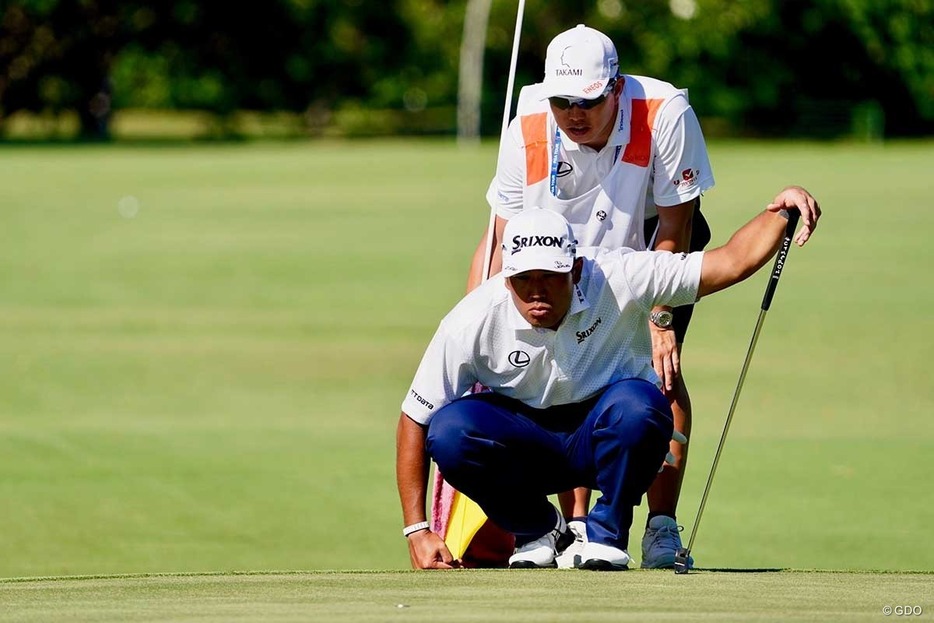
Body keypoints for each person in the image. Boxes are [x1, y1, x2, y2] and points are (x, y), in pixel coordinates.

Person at [398, 187, 820, 570]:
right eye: (524, 280)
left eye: (550, 276)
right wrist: (416, 530)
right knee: (449, 429)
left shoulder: (619, 276)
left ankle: (607, 534)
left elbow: (728, 262)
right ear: (506, 278)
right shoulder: (472, 319)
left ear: (577, 269)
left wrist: (781, 213)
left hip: (606, 438)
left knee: (642, 404)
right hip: (525, 446)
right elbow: (413, 418)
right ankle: (540, 529)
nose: (537, 292)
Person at [459, 23, 717, 569]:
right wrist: (478, 317)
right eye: (563, 101)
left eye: (589, 101)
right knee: (558, 382)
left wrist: (660, 313)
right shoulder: (527, 120)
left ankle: (661, 527)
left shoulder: (666, 112)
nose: (574, 113)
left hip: (652, 248)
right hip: (557, 261)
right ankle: (574, 527)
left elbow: (678, 222)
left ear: (616, 89)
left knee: (659, 377)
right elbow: (501, 233)